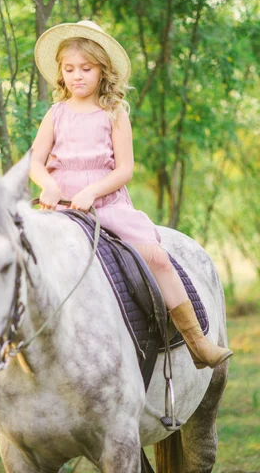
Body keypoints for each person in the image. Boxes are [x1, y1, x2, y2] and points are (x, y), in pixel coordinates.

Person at [30, 20, 232, 369]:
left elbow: (124, 169)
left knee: (156, 258)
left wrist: (92, 190)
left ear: (102, 71)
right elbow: (34, 160)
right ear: (61, 73)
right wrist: (48, 184)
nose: (77, 76)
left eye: (86, 69)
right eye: (69, 69)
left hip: (106, 206)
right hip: (61, 208)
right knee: (24, 260)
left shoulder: (114, 113)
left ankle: (197, 342)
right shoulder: (56, 113)